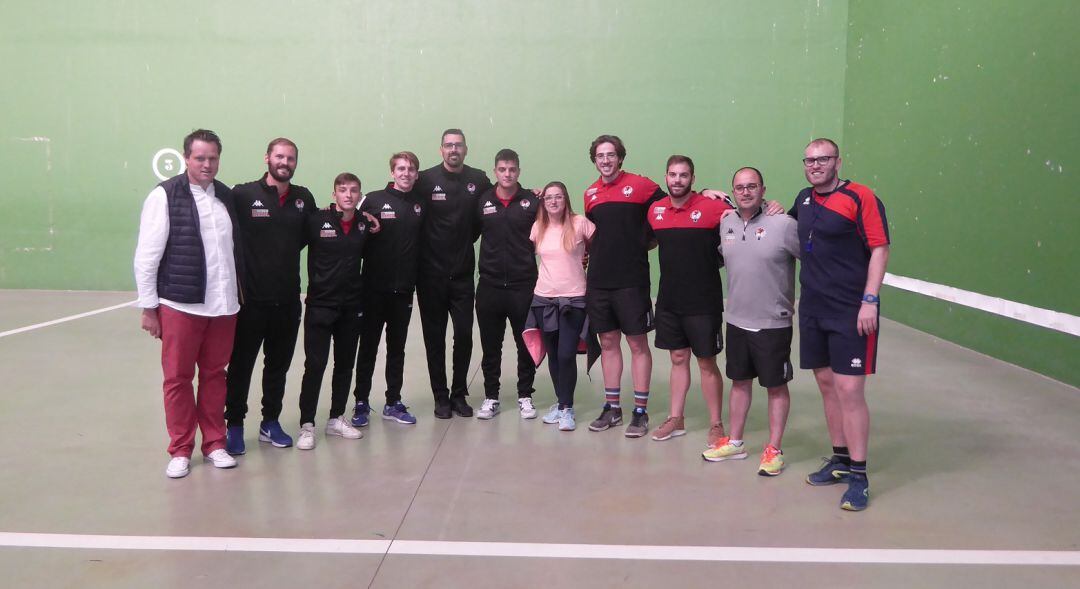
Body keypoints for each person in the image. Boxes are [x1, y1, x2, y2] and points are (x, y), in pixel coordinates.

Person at [134, 129, 240, 478]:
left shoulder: (225, 197)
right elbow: (147, 256)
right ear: (186, 159)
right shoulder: (164, 196)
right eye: (200, 158)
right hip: (180, 306)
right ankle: (180, 449)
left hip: (223, 307)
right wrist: (150, 308)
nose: (207, 164)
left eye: (212, 158)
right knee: (178, 379)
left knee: (215, 376)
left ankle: (215, 444)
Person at [791, 138, 890, 511]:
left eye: (823, 159)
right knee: (827, 385)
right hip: (813, 308)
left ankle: (859, 476)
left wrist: (870, 299)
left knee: (850, 390)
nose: (815, 165)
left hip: (851, 310)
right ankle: (840, 459)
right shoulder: (803, 199)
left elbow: (880, 247)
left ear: (837, 161)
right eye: (809, 160)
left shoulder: (861, 196)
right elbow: (782, 227)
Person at [703, 167, 799, 476]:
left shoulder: (783, 224)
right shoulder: (726, 221)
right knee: (739, 382)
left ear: (762, 189)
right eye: (740, 187)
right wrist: (706, 191)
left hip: (773, 322)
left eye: (752, 186)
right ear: (734, 191)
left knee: (775, 386)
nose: (746, 192)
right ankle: (736, 441)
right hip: (737, 320)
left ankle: (774, 449)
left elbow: (813, 259)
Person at [224, 138, 316, 453]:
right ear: (267, 158)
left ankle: (270, 422)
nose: (284, 162)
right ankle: (234, 425)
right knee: (241, 366)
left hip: (288, 301)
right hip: (249, 303)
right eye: (279, 156)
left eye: (290, 158)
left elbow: (312, 235)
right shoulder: (243, 195)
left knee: (277, 366)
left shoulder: (303, 198)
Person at [582, 135, 665, 438]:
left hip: (632, 281)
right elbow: (594, 236)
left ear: (620, 158)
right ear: (595, 160)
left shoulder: (642, 186)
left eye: (611, 155)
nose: (606, 160)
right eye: (600, 156)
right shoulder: (590, 193)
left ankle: (640, 412)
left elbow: (668, 208)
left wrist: (646, 242)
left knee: (637, 344)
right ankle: (612, 407)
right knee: (607, 343)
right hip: (600, 281)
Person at [646, 156, 730, 447]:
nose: (677, 180)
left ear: (693, 179)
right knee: (677, 358)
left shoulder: (714, 207)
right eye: (672, 175)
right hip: (669, 300)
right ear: (666, 177)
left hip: (704, 300)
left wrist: (771, 206)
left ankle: (717, 423)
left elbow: (750, 209)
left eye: (683, 175)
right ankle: (676, 418)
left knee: (706, 362)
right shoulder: (655, 211)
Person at [415, 129, 494, 419]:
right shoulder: (424, 180)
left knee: (463, 335)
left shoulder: (479, 179)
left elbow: (499, 199)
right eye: (448, 145)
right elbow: (395, 194)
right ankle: (441, 397)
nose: (453, 149)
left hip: (462, 274)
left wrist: (532, 194)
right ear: (441, 150)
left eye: (458, 145)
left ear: (466, 149)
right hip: (430, 276)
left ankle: (459, 394)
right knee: (434, 337)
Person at [294, 173, 371, 450]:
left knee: (345, 365)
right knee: (315, 366)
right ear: (334, 194)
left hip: (351, 307)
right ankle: (307, 424)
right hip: (320, 306)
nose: (348, 195)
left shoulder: (363, 223)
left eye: (353, 190)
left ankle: (336, 418)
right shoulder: (316, 220)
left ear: (359, 195)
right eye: (342, 190)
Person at [351, 152, 426, 427]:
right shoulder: (372, 200)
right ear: (393, 172)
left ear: (416, 174)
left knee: (397, 348)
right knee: (368, 347)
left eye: (411, 169)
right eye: (401, 168)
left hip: (404, 291)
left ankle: (393, 402)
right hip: (372, 290)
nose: (406, 173)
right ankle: (361, 402)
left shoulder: (420, 204)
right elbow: (347, 222)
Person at [473, 149, 541, 420]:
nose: (507, 174)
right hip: (489, 285)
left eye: (512, 169)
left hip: (523, 285)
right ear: (495, 172)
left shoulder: (532, 202)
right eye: (502, 169)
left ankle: (525, 395)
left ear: (519, 172)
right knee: (491, 346)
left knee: (524, 343)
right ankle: (491, 397)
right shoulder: (482, 201)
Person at [530, 181, 595, 431]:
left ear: (566, 199)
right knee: (554, 356)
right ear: (543, 202)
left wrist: (588, 264)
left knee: (567, 354)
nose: (554, 201)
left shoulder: (580, 224)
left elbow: (598, 249)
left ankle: (567, 409)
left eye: (558, 197)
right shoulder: (538, 228)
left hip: (574, 300)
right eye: (549, 198)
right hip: (543, 300)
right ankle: (560, 403)